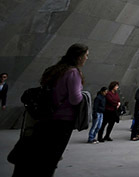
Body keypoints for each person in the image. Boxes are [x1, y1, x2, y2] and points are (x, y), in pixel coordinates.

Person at [12, 43, 88, 177]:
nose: (87, 58)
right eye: (86, 55)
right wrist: (84, 95)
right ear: (79, 57)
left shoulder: (54, 70)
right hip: (62, 121)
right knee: (51, 158)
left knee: (37, 153)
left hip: (44, 117)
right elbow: (75, 99)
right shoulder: (73, 72)